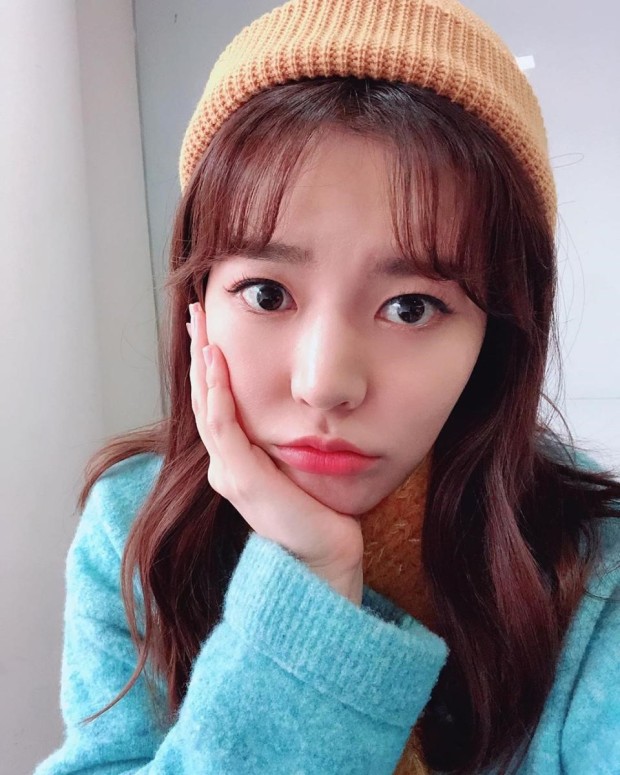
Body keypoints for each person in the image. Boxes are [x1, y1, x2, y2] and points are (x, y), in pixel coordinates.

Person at [35, 0, 620, 773]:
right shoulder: (136, 528)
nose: (324, 384)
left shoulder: (594, 564)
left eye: (411, 307)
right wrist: (308, 584)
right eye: (267, 294)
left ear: (496, 336)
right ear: (198, 302)